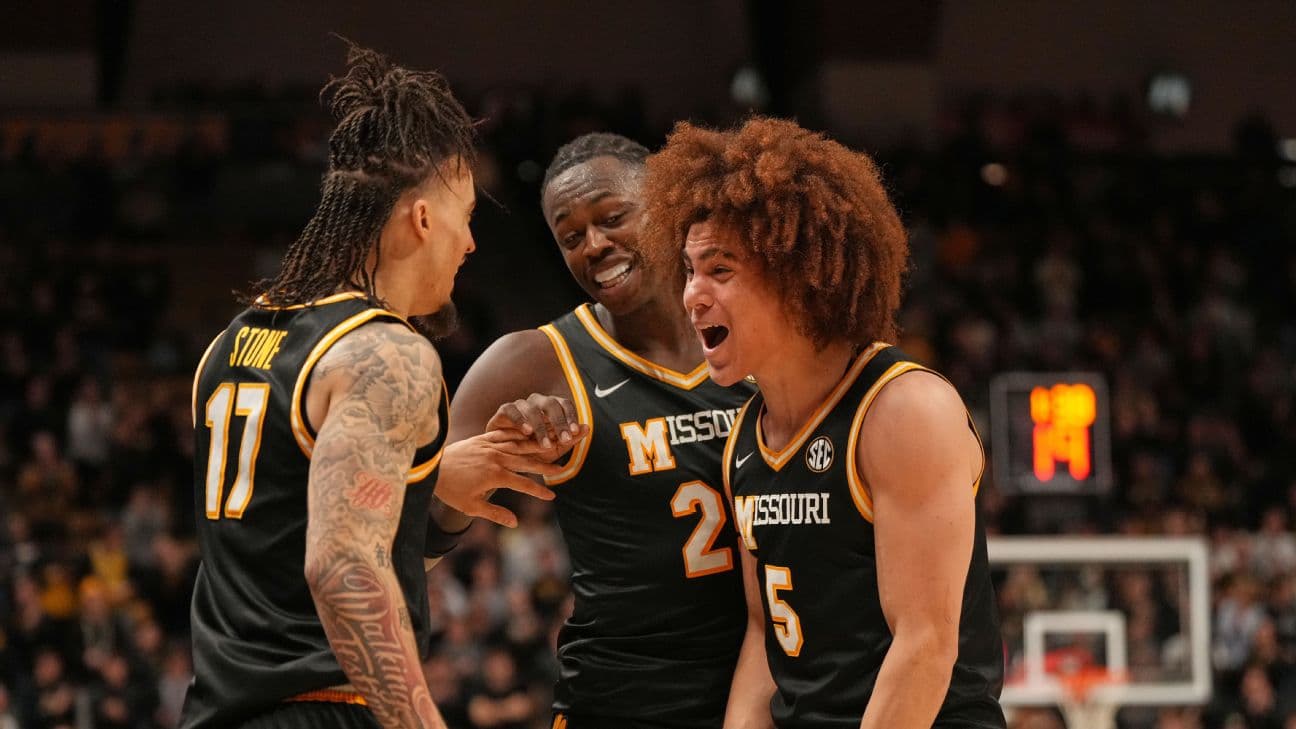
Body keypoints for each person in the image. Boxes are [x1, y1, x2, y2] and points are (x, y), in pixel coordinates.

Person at [180, 44, 577, 729]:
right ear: (422, 219)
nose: (471, 246)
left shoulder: (231, 342)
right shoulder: (388, 353)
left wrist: (432, 485)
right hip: (323, 707)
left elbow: (284, 540)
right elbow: (342, 569)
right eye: (466, 218)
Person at [649, 117, 1006, 729]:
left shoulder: (903, 411)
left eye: (720, 270)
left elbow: (925, 647)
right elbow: (766, 638)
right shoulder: (745, 440)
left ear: (796, 277)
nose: (692, 295)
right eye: (689, 269)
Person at [432, 133, 751, 728]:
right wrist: (478, 472)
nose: (596, 245)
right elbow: (415, 531)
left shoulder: (756, 337)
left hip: (763, 694)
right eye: (571, 237)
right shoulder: (532, 362)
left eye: (612, 218)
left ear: (668, 205)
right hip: (623, 704)